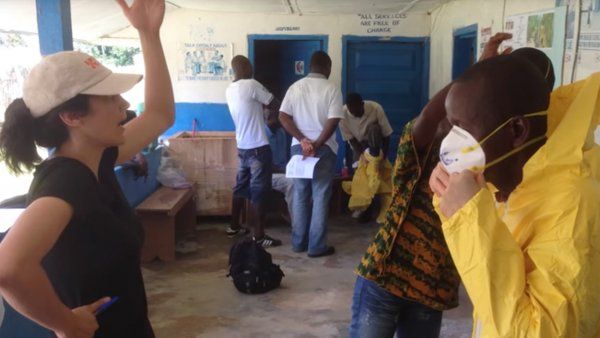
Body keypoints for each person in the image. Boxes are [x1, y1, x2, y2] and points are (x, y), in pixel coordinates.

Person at [0, 0, 173, 337]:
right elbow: (8, 267)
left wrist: (148, 34)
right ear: (72, 117)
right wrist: (65, 323)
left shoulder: (98, 159)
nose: (123, 104)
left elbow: (159, 114)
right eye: (109, 98)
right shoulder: (66, 183)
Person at [349, 32, 515, 338]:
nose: (453, 130)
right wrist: (477, 71)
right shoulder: (414, 160)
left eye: (462, 124)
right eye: (450, 122)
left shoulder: (485, 174)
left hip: (431, 294)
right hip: (383, 281)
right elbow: (429, 116)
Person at [429, 55, 600, 336]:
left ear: (517, 130)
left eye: (464, 127)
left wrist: (469, 215)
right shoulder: (510, 180)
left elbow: (536, 331)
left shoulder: (575, 203)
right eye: (452, 125)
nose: (452, 141)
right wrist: (450, 194)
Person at [279, 51, 344, 258]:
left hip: (299, 150)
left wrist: (302, 140)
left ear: (310, 66)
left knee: (300, 194)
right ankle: (316, 246)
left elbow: (283, 116)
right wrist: (316, 143)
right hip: (323, 149)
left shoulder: (295, 88)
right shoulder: (332, 88)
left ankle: (298, 243)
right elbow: (333, 120)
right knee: (321, 195)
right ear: (327, 67)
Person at [225, 55, 281, 247]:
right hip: (258, 147)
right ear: (247, 67)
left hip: (242, 147)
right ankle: (259, 235)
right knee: (259, 192)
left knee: (240, 187)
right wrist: (271, 119)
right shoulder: (251, 84)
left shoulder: (230, 89)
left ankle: (234, 226)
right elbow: (275, 102)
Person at [340, 93, 393, 161]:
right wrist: (362, 156)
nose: (356, 115)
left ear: (362, 104)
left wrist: (384, 155)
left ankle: (375, 155)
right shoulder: (342, 115)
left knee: (374, 128)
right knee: (359, 168)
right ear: (347, 107)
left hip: (374, 143)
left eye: (358, 112)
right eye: (352, 113)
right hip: (358, 144)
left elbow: (386, 134)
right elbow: (351, 139)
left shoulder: (376, 108)